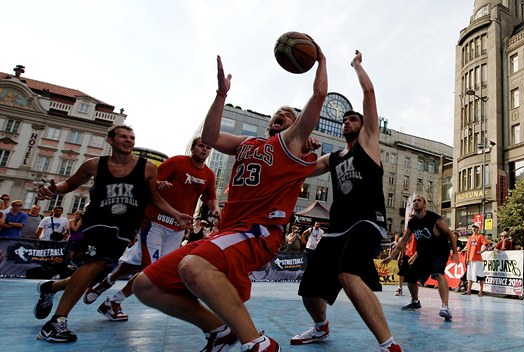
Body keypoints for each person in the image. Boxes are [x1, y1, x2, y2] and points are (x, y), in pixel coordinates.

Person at [132, 49, 327, 352]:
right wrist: (221, 95)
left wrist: (321, 61)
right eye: (278, 112)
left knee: (192, 266)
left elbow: (318, 95)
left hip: (257, 231)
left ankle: (258, 343)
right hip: (228, 230)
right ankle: (219, 330)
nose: (281, 115)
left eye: (288, 115)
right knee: (145, 286)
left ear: (296, 125)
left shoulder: (290, 144)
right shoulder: (247, 143)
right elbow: (210, 136)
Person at [33, 124, 189, 343]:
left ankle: (51, 287)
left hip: (124, 227)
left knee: (92, 275)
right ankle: (56, 323)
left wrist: (176, 214)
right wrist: (53, 189)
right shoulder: (94, 165)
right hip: (97, 222)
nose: (128, 140)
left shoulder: (147, 168)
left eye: (132, 137)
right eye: (123, 136)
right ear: (110, 140)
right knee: (94, 264)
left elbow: (155, 198)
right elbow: (69, 183)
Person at [292, 51, 402, 352]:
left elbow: (368, 92)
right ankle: (320, 326)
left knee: (348, 272)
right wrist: (302, 147)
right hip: (336, 227)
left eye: (353, 118)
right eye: (345, 120)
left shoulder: (368, 143)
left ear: (363, 124)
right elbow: (300, 169)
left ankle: (388, 344)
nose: (347, 121)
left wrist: (356, 65)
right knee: (309, 288)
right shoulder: (334, 157)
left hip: (366, 222)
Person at [83, 137, 219, 322]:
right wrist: (158, 183)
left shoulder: (209, 174)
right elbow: (148, 182)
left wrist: (215, 209)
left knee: (141, 265)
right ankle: (114, 301)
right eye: (201, 146)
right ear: (193, 148)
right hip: (155, 222)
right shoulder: (177, 162)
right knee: (153, 271)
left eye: (207, 147)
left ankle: (106, 283)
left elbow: (210, 196)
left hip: (177, 228)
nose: (204, 150)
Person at [386, 194, 459, 321]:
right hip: (424, 253)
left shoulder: (434, 218)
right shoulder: (413, 222)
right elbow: (403, 240)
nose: (416, 202)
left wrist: (456, 253)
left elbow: (449, 234)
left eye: (419, 200)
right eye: (414, 201)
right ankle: (415, 301)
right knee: (410, 278)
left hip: (440, 251)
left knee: (438, 274)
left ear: (424, 205)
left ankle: (445, 307)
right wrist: (391, 256)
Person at [462, 224, 489, 297]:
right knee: (470, 275)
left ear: (478, 228)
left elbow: (486, 245)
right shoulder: (470, 237)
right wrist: (466, 256)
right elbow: (467, 247)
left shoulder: (480, 236)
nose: (473, 229)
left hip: (478, 259)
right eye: (473, 227)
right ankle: (468, 291)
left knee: (480, 276)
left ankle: (481, 291)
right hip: (470, 259)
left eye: (475, 227)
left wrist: (481, 251)